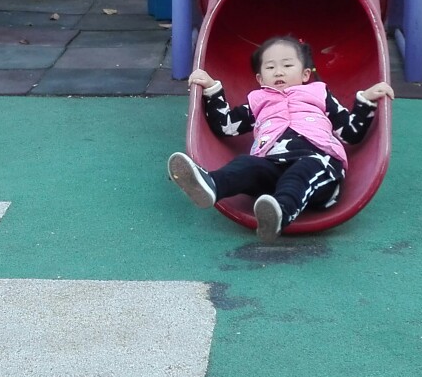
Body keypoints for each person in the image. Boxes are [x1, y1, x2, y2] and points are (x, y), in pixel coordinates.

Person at [168, 35, 394, 243]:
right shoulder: (258, 100)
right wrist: (211, 88)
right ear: (260, 78)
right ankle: (211, 185)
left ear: (305, 74)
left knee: (302, 171)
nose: (278, 72)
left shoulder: (319, 93)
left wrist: (366, 100)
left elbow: (350, 132)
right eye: (270, 67)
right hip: (272, 165)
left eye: (287, 65)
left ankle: (280, 214)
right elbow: (226, 126)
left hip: (320, 164)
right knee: (246, 164)